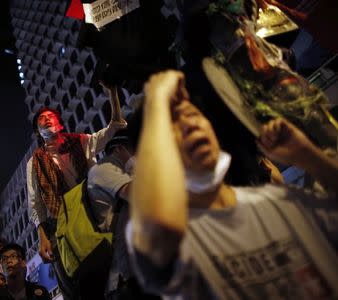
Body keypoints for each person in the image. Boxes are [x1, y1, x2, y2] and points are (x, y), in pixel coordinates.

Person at [126, 70, 338, 299]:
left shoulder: (278, 200)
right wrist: (157, 96)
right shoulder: (177, 237)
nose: (189, 125)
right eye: (171, 127)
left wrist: (307, 155)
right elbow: (157, 229)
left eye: (193, 114)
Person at [27, 84, 127, 299]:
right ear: (38, 131)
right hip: (61, 222)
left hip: (93, 211)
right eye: (40, 119)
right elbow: (35, 202)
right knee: (74, 282)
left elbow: (115, 126)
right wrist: (43, 237)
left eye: (50, 116)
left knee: (114, 266)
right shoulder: (34, 162)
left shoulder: (81, 141)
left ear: (59, 123)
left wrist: (112, 93)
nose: (46, 118)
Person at [87, 128, 161, 299]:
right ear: (120, 148)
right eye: (135, 151)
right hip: (124, 277)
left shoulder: (124, 173)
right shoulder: (104, 168)